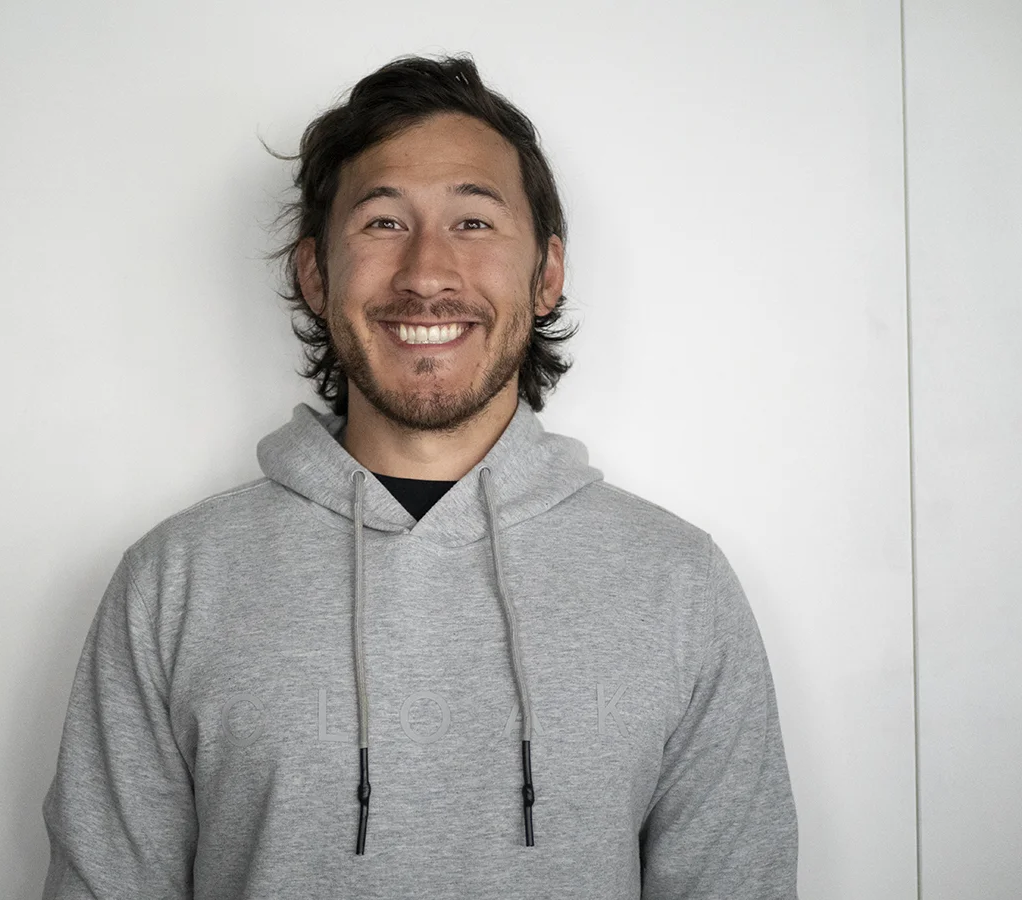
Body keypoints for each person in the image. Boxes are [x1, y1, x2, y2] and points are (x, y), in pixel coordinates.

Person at [40, 54, 798, 899]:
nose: (427, 272)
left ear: (546, 275)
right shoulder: (175, 580)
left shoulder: (680, 583)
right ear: (315, 275)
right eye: (383, 222)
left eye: (473, 221)